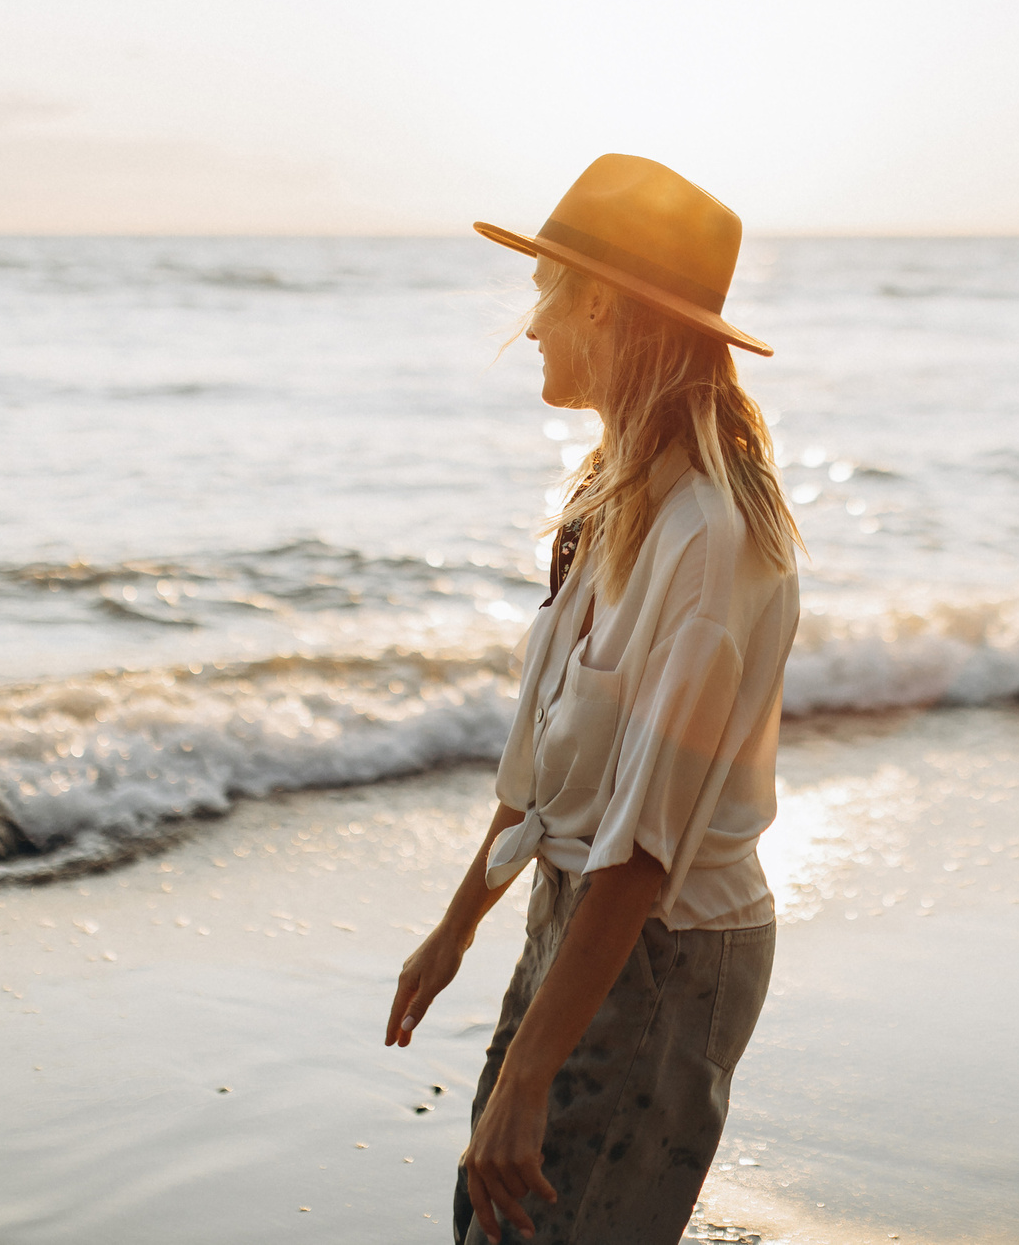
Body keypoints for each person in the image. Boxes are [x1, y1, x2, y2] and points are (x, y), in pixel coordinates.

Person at [385, 154, 802, 1245]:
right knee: (494, 1218)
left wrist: (529, 1071)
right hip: (577, 915)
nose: (531, 325)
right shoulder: (611, 502)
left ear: (602, 303)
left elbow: (646, 847)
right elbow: (551, 772)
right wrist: (455, 925)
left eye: (546, 292)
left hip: (662, 946)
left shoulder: (707, 542)